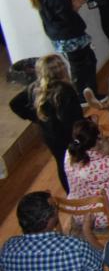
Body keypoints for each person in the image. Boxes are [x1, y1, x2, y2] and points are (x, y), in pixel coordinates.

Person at [9, 54, 84, 191]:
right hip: (68, 135)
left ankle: (70, 192)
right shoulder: (65, 91)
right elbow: (72, 118)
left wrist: (37, 118)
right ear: (62, 69)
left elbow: (15, 103)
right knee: (78, 160)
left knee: (61, 163)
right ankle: (83, 187)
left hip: (50, 136)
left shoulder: (35, 87)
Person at [28, 0, 97, 94]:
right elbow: (65, 15)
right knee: (82, 66)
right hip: (69, 34)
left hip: (60, 34)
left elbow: (55, 10)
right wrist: (76, 4)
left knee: (85, 62)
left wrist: (69, 3)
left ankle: (87, 93)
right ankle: (84, 95)